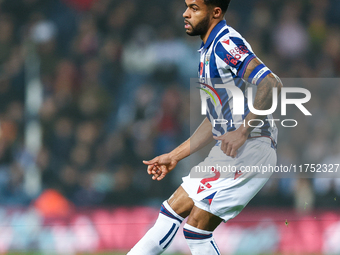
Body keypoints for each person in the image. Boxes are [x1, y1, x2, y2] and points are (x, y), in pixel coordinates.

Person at [127, 0, 282, 254]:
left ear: (216, 12)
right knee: (172, 212)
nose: (185, 13)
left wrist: (243, 130)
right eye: (187, 6)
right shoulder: (207, 50)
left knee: (196, 229)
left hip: (250, 148)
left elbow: (271, 84)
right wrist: (174, 156)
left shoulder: (226, 44)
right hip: (231, 151)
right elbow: (214, 119)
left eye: (194, 8)